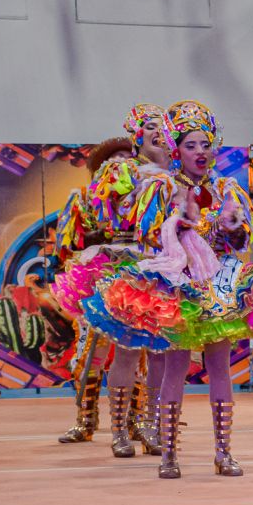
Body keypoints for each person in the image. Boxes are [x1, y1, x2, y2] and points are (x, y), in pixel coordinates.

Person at [91, 100, 253, 477]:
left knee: (220, 367)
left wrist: (230, 226)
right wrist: (178, 227)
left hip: (219, 286)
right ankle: (168, 453)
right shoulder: (161, 187)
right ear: (177, 150)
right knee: (174, 367)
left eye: (205, 144)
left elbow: (239, 241)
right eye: (191, 145)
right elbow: (149, 236)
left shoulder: (226, 188)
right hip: (179, 286)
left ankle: (223, 453)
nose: (200, 151)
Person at [54, 105, 173, 456]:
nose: (118, 162)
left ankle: (139, 422)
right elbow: (77, 237)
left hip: (150, 270)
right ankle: (90, 421)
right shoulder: (103, 187)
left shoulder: (166, 178)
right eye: (149, 127)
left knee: (148, 354)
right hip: (108, 272)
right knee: (94, 351)